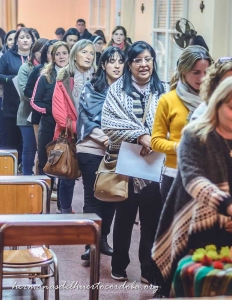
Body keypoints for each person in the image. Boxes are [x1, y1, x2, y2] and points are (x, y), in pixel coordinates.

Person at [151, 76, 232, 297]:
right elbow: (194, 179)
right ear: (217, 104)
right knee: (189, 288)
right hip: (194, 228)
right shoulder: (195, 134)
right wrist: (230, 207)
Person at [101, 41, 169, 282]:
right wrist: (140, 136)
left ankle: (148, 269)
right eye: (138, 60)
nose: (144, 64)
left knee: (151, 220)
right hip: (126, 163)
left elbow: (171, 122)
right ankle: (119, 265)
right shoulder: (117, 90)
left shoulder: (163, 89)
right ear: (129, 64)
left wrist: (154, 140)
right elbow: (109, 123)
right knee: (125, 217)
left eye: (148, 59)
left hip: (155, 163)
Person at [77, 46, 125, 260]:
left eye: (120, 61)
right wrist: (106, 139)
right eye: (111, 61)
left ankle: (102, 239)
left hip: (118, 151)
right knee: (93, 196)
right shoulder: (91, 88)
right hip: (91, 148)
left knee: (111, 196)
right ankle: (89, 243)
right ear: (103, 65)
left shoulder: (128, 90)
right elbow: (86, 119)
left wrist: (116, 142)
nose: (116, 65)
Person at [151, 46, 212, 202]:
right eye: (196, 73)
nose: (202, 78)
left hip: (207, 176)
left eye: (206, 73)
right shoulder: (168, 100)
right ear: (183, 71)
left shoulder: (214, 100)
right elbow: (156, 141)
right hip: (174, 174)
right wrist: (179, 147)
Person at [52, 39, 96, 214]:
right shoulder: (64, 78)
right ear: (75, 55)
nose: (88, 56)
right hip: (70, 135)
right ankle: (65, 211)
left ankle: (88, 217)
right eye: (84, 52)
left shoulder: (99, 78)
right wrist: (87, 129)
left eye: (92, 53)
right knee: (67, 176)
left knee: (90, 179)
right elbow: (60, 116)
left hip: (93, 139)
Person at [0, 27, 35, 165]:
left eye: (28, 37)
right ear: (16, 41)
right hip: (11, 104)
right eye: (22, 37)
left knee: (28, 142)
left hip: (30, 107)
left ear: (32, 40)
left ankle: (25, 169)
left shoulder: (36, 58)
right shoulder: (8, 56)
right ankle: (11, 167)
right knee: (12, 140)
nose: (25, 40)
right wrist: (11, 78)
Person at [31, 41, 69, 185]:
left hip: (68, 127)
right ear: (52, 57)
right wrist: (49, 111)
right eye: (57, 54)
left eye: (64, 53)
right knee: (45, 158)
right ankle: (45, 189)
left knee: (67, 160)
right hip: (48, 124)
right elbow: (34, 101)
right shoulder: (45, 76)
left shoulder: (74, 76)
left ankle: (63, 199)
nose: (61, 57)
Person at [17, 39, 48, 175]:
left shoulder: (51, 69)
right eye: (40, 51)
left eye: (45, 51)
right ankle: (26, 175)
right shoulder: (26, 68)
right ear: (34, 52)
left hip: (45, 115)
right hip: (27, 114)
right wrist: (41, 100)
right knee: (29, 148)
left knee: (45, 149)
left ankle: (44, 179)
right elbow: (24, 92)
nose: (43, 54)